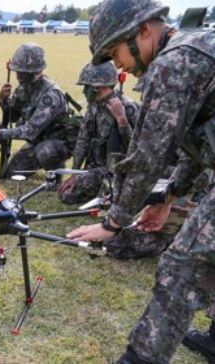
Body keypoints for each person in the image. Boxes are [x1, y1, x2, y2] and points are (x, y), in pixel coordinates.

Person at [65, 0, 215, 362]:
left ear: (144, 30)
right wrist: (172, 194)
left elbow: (148, 157)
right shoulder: (195, 46)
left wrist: (114, 222)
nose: (117, 65)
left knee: (181, 266)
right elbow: (200, 138)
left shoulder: (172, 65)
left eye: (115, 51)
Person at [0, 43, 75, 179]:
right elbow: (13, 116)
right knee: (12, 175)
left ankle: (55, 175)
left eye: (24, 73)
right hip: (36, 141)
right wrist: (3, 100)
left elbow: (31, 130)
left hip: (57, 142)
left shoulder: (50, 95)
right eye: (18, 72)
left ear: (37, 71)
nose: (20, 77)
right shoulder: (24, 88)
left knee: (46, 152)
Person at [58, 61, 139, 204]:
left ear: (98, 87)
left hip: (119, 169)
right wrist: (75, 173)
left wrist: (122, 121)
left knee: (82, 185)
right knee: (66, 195)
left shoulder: (128, 107)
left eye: (86, 87)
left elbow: (135, 149)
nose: (84, 91)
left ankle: (113, 192)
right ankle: (104, 192)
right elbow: (83, 140)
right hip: (97, 167)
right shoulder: (94, 107)